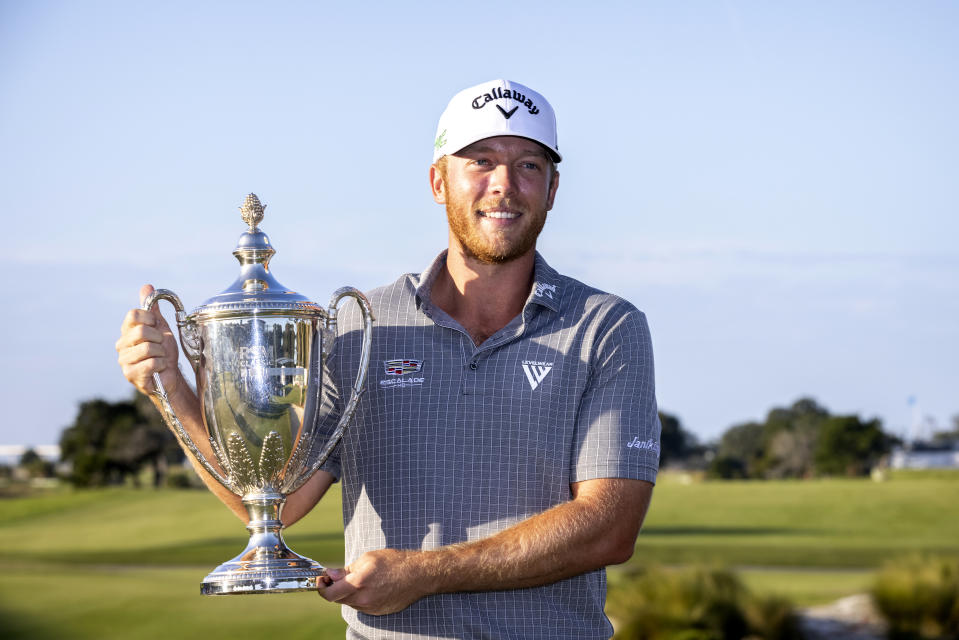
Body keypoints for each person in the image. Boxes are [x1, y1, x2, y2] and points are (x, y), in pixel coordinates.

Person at [116, 78, 661, 639]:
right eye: (480, 161)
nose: (504, 184)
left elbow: (609, 527)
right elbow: (274, 495)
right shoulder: (361, 323)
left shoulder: (605, 326)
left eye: (528, 165)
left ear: (552, 189)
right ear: (437, 181)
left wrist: (423, 574)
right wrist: (171, 387)